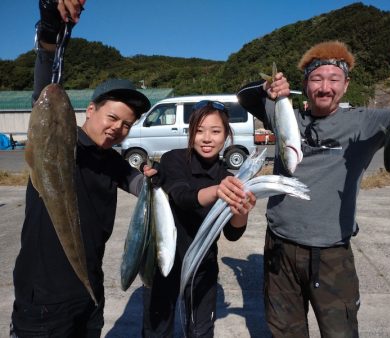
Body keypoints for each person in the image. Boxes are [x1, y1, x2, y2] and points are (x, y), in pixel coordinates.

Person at [237, 40, 390, 337]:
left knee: (340, 332)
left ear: (346, 85)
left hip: (332, 254)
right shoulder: (287, 117)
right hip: (280, 248)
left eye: (334, 79)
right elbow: (245, 97)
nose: (325, 87)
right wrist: (269, 85)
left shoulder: (367, 123)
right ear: (305, 85)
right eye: (316, 79)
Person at [10, 1, 157, 337]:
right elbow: (45, 82)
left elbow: (135, 181)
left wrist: (153, 179)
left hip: (90, 291)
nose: (118, 128)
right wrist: (50, 25)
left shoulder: (111, 159)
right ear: (90, 110)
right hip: (43, 299)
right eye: (112, 118)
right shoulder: (59, 142)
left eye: (126, 125)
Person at [142, 100, 257, 337]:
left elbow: (232, 234)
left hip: (203, 267)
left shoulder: (227, 177)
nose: (207, 138)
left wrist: (242, 209)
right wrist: (217, 191)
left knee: (201, 332)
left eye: (215, 131)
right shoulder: (174, 160)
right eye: (199, 131)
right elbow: (182, 196)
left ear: (226, 135)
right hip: (165, 262)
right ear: (190, 133)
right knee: (157, 331)